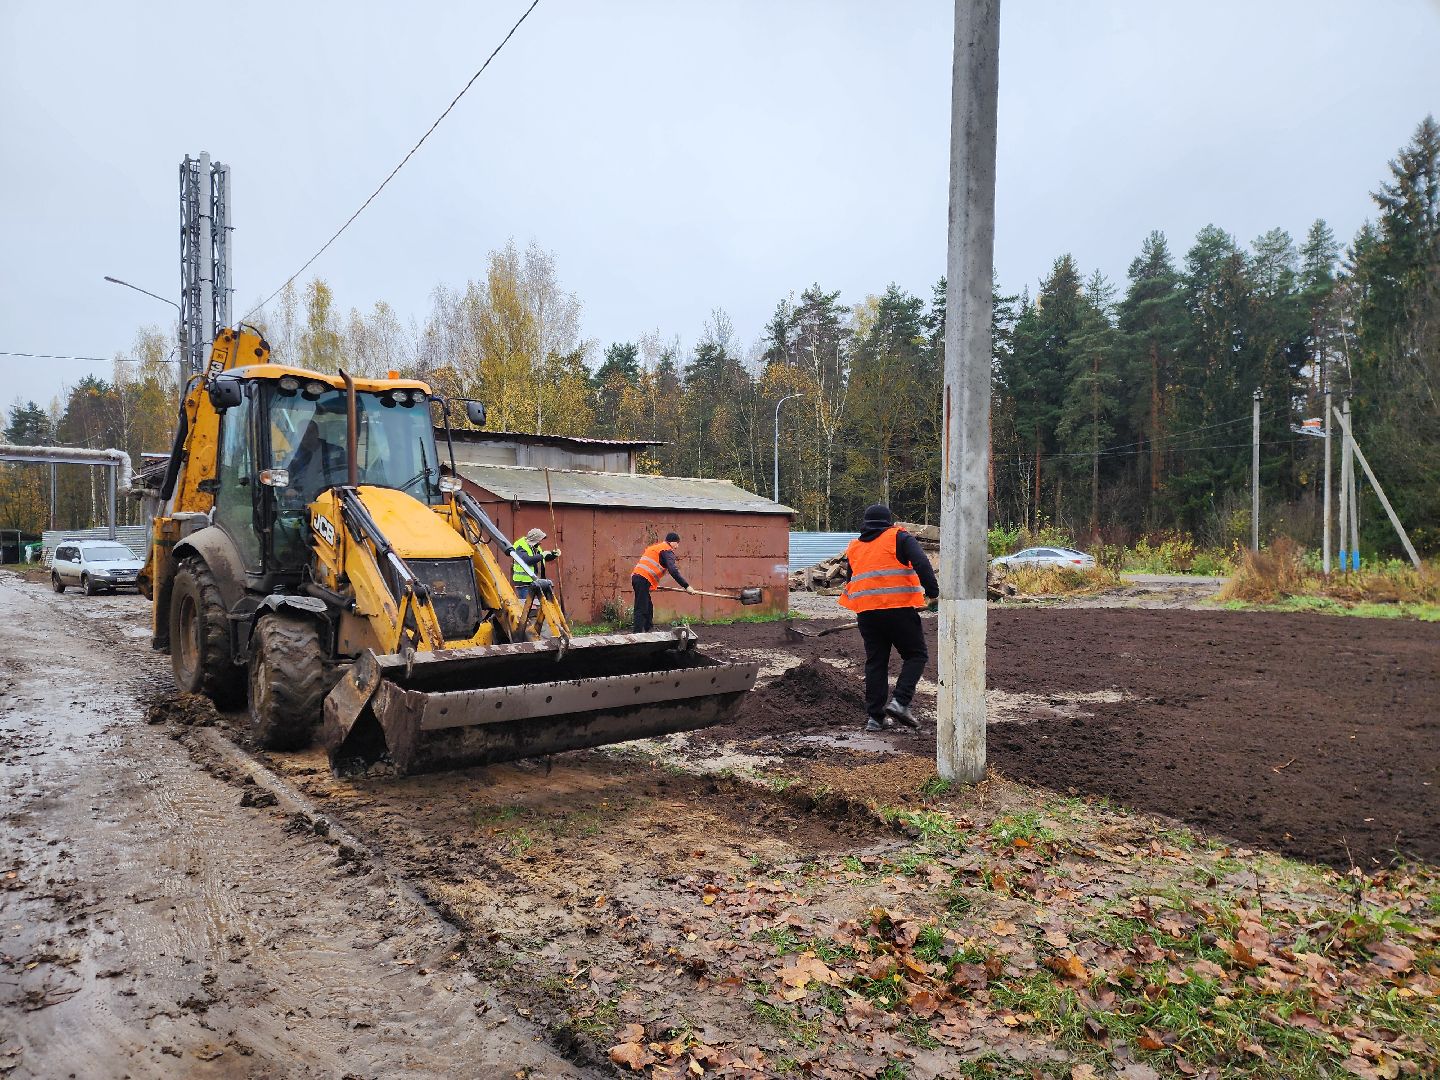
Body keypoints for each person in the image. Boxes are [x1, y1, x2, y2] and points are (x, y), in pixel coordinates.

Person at [838, 504, 939, 733]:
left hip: (867, 614)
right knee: (916, 655)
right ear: (888, 521)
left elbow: (852, 580)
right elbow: (922, 562)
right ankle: (901, 702)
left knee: (876, 662)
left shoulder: (854, 547)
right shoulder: (899, 537)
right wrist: (933, 592)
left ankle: (875, 718)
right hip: (899, 610)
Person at [631, 531, 695, 632]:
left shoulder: (657, 547)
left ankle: (648, 630)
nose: (677, 547)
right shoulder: (666, 550)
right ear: (673, 542)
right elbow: (673, 571)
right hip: (643, 579)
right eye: (677, 543)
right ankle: (636, 635)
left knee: (648, 607)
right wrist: (686, 586)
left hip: (638, 578)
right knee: (642, 608)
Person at [510, 527, 560, 602]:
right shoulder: (520, 547)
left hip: (535, 582)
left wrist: (553, 555)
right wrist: (542, 555)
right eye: (539, 540)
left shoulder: (534, 547)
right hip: (524, 584)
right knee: (528, 608)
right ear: (534, 539)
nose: (541, 542)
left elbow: (541, 558)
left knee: (537, 606)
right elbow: (528, 560)